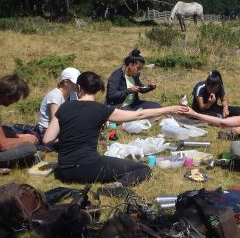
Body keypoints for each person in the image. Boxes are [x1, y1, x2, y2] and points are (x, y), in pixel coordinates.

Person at [44, 71, 187, 185]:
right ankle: (115, 187)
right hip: (88, 168)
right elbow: (139, 115)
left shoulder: (64, 107)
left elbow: (47, 139)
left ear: (79, 88)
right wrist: (169, 109)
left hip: (63, 171)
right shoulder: (101, 110)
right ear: (98, 90)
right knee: (144, 169)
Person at [35, 67, 80, 144]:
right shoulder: (55, 96)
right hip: (48, 131)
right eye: (76, 82)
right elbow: (55, 121)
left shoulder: (73, 94)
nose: (78, 85)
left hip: (63, 128)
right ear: (66, 82)